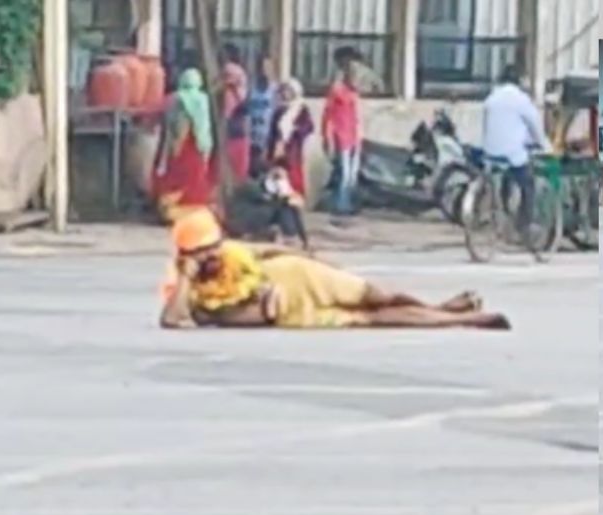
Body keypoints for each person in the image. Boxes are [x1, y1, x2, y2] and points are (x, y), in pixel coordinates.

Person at [159, 210, 510, 330]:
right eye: (205, 251)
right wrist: (187, 276)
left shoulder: (232, 251)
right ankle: (462, 321)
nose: (215, 254)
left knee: (380, 296)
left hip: (304, 275)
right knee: (378, 319)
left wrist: (312, 257)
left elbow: (267, 250)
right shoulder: (200, 299)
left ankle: (440, 308)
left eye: (214, 245)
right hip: (299, 312)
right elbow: (173, 319)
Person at [482, 64, 551, 244]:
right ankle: (523, 224)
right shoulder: (521, 100)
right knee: (528, 185)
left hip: (490, 154)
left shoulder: (491, 98)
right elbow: (535, 125)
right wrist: (544, 145)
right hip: (513, 154)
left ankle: (503, 213)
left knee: (505, 177)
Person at [151, 68, 215, 223]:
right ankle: (196, 214)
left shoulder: (180, 100)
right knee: (196, 182)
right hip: (200, 148)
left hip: (184, 149)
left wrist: (174, 148)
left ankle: (174, 214)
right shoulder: (203, 100)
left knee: (177, 182)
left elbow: (182, 127)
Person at [322, 47, 363, 216]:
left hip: (354, 136)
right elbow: (328, 114)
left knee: (352, 175)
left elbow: (357, 115)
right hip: (342, 135)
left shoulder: (354, 92)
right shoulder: (337, 90)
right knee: (345, 173)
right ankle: (341, 205)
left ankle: (347, 202)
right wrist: (327, 136)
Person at [268, 78, 314, 202]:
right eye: (283, 91)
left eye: (288, 91)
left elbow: (308, 127)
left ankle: (295, 199)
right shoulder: (279, 110)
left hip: (293, 147)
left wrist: (296, 130)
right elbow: (273, 131)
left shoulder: (300, 109)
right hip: (279, 147)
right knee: (279, 174)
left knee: (294, 174)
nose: (285, 94)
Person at [219, 43, 251, 182]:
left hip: (230, 111)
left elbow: (223, 83)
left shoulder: (230, 69)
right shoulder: (242, 71)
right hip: (238, 111)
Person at [246, 56, 278, 178]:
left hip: (268, 136)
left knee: (267, 170)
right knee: (252, 170)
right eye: (261, 67)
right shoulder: (251, 87)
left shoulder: (275, 89)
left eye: (267, 67)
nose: (264, 71)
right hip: (252, 135)